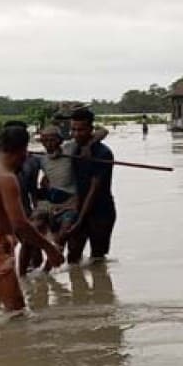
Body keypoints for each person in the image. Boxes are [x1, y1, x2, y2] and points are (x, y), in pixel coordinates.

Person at [0, 126, 65, 310]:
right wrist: (50, 249)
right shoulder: (6, 178)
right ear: (24, 150)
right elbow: (21, 225)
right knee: (16, 308)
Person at [63, 108, 116, 264]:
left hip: (101, 212)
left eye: (81, 130)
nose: (77, 134)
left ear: (91, 129)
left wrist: (80, 220)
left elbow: (94, 190)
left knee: (98, 260)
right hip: (78, 208)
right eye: (73, 129)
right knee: (72, 256)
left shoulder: (103, 154)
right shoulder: (73, 149)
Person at [34, 126, 80, 247]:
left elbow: (102, 132)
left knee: (64, 234)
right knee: (34, 226)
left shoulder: (70, 148)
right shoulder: (42, 159)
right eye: (45, 141)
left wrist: (88, 146)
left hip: (70, 201)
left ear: (60, 140)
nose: (49, 144)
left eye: (52, 140)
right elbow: (46, 179)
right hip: (52, 201)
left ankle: (53, 261)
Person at [0, 121, 41, 217]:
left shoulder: (33, 160)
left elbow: (33, 189)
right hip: (0, 213)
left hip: (23, 210)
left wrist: (37, 211)